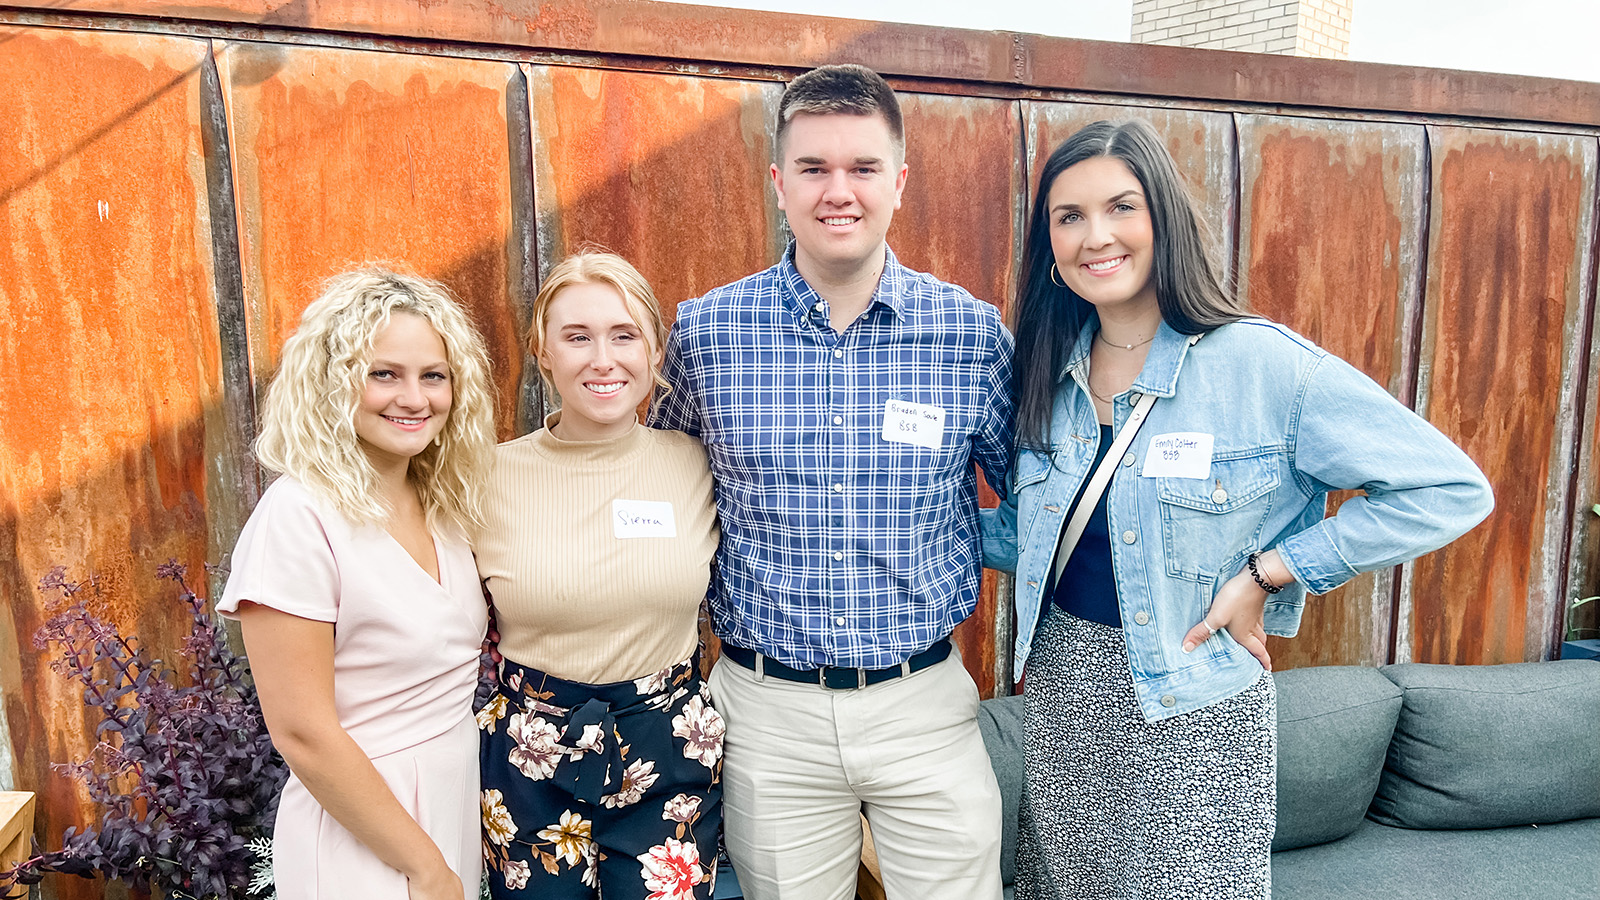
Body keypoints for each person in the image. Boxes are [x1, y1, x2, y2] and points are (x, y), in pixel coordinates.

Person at [982, 119, 1495, 900]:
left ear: (1165, 218)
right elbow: (1047, 535)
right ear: (1048, 242)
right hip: (1065, 691)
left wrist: (1272, 571)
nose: (1097, 237)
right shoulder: (1050, 371)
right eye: (1069, 216)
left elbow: (1449, 490)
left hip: (1193, 704)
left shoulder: (1262, 367)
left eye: (1122, 207)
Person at [650, 64, 1014, 900]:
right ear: (780, 183)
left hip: (923, 702)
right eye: (813, 168)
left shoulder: (968, 333)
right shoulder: (708, 333)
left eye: (863, 168)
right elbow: (662, 494)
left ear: (900, 182)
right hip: (766, 707)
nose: (837, 191)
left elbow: (1040, 498)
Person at [219, 268, 498, 900]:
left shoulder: (442, 503)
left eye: (434, 375)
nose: (414, 397)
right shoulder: (299, 517)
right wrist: (425, 868)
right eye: (384, 374)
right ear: (333, 382)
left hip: (447, 810)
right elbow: (303, 732)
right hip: (364, 832)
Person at [473, 252, 722, 899]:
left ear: (655, 350)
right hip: (532, 758)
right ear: (543, 351)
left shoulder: (696, 462)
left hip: (668, 751)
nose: (602, 359)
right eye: (577, 337)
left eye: (624, 335)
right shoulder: (486, 477)